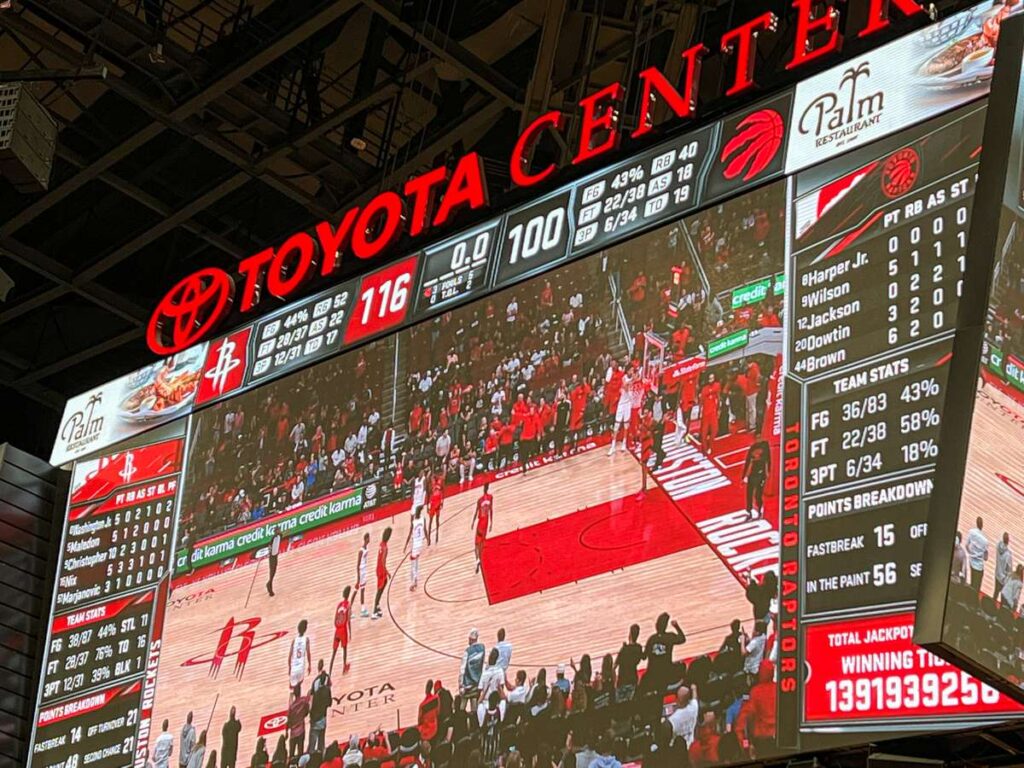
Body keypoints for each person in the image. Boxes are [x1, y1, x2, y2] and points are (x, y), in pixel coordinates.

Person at [643, 613, 687, 693]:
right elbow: (682, 639)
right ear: (666, 626)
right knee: (682, 665)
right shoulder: (670, 637)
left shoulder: (651, 639)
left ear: (656, 625)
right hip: (666, 671)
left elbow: (643, 657)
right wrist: (676, 626)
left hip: (652, 672)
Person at [742, 439, 770, 519]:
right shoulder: (753, 448)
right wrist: (744, 476)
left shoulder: (765, 446)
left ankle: (760, 510)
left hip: (761, 475)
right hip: (752, 474)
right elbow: (748, 462)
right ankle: (749, 512)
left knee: (758, 494)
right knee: (749, 494)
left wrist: (767, 473)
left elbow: (767, 461)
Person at [309, 660, 332, 755]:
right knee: (321, 742)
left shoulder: (317, 694)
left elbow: (312, 707)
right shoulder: (327, 691)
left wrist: (311, 718)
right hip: (323, 717)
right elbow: (329, 703)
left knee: (312, 744)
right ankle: (320, 757)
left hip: (316, 719)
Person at [460, 628, 486, 710]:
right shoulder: (482, 648)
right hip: (476, 684)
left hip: (467, 685)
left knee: (462, 708)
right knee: (474, 709)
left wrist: (460, 684)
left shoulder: (467, 652)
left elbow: (462, 670)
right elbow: (483, 665)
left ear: (471, 639)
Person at [615, 623, 644, 695]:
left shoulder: (624, 649)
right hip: (633, 678)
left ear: (630, 635)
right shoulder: (639, 648)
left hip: (622, 680)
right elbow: (643, 657)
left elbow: (615, 666)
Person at [330, 586, 353, 675]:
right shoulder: (348, 604)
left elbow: (335, 619)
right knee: (345, 649)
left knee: (334, 653)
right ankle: (344, 667)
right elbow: (348, 620)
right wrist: (350, 632)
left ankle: (330, 672)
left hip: (337, 630)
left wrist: (337, 626)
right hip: (343, 630)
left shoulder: (339, 604)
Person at [471, 484, 494, 574]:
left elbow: (476, 512)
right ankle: (479, 559)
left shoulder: (480, 500)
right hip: (486, 522)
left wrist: (473, 522)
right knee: (482, 544)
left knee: (476, 544)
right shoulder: (491, 497)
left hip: (481, 523)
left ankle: (477, 560)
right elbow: (491, 510)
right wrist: (491, 523)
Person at [698, 374, 721, 455]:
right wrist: (699, 413)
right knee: (704, 433)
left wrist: (718, 409)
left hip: (713, 412)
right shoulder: (704, 390)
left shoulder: (717, 386)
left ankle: (710, 446)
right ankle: (704, 449)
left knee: (715, 430)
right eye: (710, 378)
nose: (711, 380)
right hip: (706, 413)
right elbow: (701, 402)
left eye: (712, 378)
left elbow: (718, 397)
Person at [406, 505, 428, 591]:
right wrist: (428, 539)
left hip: (415, 544)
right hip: (420, 543)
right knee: (417, 562)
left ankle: (413, 583)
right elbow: (425, 530)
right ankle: (416, 581)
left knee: (413, 564)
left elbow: (409, 534)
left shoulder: (414, 522)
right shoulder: (423, 519)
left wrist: (406, 545)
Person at [372, 527, 392, 619]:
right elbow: (383, 560)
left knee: (380, 588)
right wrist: (387, 572)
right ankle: (375, 609)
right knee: (380, 589)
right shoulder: (385, 548)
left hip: (378, 568)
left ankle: (377, 607)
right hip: (381, 569)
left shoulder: (381, 544)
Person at [288, 619, 312, 696]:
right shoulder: (306, 639)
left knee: (294, 687)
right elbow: (308, 653)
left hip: (294, 668)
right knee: (299, 686)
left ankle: (295, 701)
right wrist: (309, 665)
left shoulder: (294, 641)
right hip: (301, 667)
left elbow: (289, 657)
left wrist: (289, 668)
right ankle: (298, 702)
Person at [966, 516, 989, 591]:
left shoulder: (971, 532)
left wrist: (971, 553)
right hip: (979, 566)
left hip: (971, 562)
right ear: (982, 525)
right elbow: (985, 558)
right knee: (977, 587)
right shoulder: (985, 541)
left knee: (972, 582)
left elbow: (966, 545)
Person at [288, 688, 309, 759]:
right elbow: (307, 712)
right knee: (300, 751)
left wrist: (287, 731)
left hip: (293, 732)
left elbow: (289, 719)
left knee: (291, 753)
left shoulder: (291, 706)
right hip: (301, 730)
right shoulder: (304, 701)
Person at [355, 532, 371, 617]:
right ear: (366, 539)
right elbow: (357, 565)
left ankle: (363, 608)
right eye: (369, 538)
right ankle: (359, 609)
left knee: (362, 589)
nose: (370, 539)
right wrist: (358, 578)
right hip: (361, 571)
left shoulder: (366, 549)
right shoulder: (361, 551)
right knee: (357, 589)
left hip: (364, 571)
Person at [996, 532, 1013, 599]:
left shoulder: (998, 546)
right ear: (1008, 541)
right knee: (1003, 597)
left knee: (995, 592)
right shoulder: (1008, 555)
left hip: (997, 574)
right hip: (1003, 579)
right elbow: (1009, 569)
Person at [428, 476, 444, 545]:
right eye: (432, 480)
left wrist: (441, 503)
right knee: (430, 521)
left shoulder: (439, 484)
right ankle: (429, 536)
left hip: (438, 502)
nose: (433, 481)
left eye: (433, 479)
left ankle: (437, 532)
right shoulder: (430, 486)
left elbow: (442, 494)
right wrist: (428, 506)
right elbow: (429, 496)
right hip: (432, 504)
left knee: (437, 519)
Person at [267, 529, 281, 597]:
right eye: (278, 530)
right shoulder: (273, 538)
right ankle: (269, 586)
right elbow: (269, 545)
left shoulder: (280, 536)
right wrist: (269, 552)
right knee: (272, 571)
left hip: (275, 555)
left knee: (274, 570)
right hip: (272, 556)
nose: (279, 531)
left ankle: (269, 583)